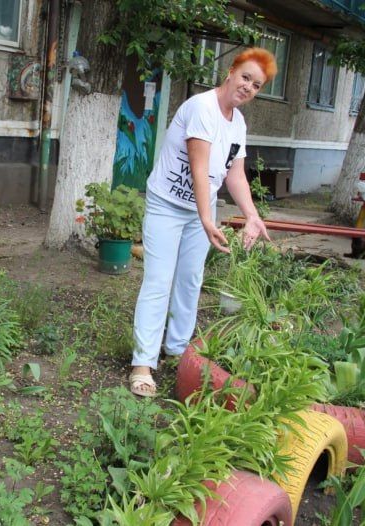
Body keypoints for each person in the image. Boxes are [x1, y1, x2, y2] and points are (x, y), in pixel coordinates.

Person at [129, 48, 274, 397]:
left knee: (190, 280)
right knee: (159, 281)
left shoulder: (237, 123)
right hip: (167, 205)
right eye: (245, 77)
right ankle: (142, 364)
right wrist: (208, 219)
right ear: (231, 71)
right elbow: (199, 168)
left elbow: (234, 173)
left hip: (200, 212)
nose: (248, 87)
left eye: (256, 85)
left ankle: (178, 351)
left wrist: (252, 215)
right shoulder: (201, 108)